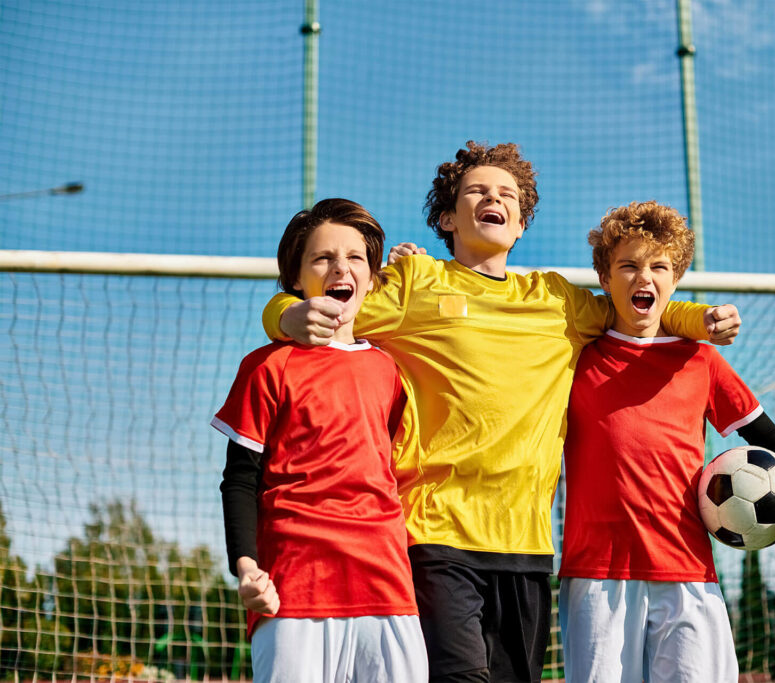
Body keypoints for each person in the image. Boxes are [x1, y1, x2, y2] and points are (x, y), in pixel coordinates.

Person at [260, 142, 742, 682]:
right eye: (477, 192)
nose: (494, 199)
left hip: (527, 545)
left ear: (520, 224)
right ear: (447, 217)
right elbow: (327, 300)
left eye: (507, 194)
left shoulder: (558, 299)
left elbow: (636, 304)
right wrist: (284, 314)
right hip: (435, 532)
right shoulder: (418, 284)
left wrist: (700, 318)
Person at [558, 200, 775, 683]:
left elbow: (766, 434)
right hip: (596, 575)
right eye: (629, 266)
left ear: (675, 280)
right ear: (604, 278)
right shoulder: (574, 355)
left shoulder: (699, 360)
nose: (645, 277)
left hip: (686, 567)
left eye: (659, 266)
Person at [213, 199, 428, 682]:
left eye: (355, 257)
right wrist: (247, 568)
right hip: (295, 587)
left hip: (387, 583)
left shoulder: (392, 368)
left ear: (372, 278)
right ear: (296, 280)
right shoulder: (267, 365)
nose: (340, 268)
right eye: (322, 258)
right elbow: (240, 479)